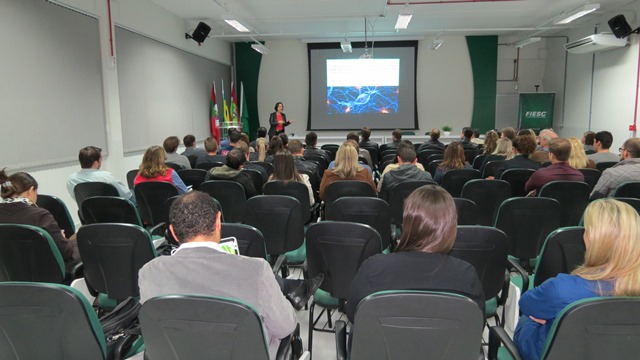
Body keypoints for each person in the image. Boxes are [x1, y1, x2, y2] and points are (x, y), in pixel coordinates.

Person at [138, 191, 320, 359]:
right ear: (218, 221)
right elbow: (285, 327)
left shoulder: (148, 272)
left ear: (173, 232)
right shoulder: (255, 270)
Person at [514, 199, 640, 360]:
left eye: (586, 230)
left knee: (527, 320)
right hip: (624, 351)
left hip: (558, 353)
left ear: (595, 240)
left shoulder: (562, 288)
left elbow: (525, 303)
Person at [345, 185, 484, 324]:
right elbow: (477, 325)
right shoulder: (466, 276)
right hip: (444, 346)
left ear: (406, 224)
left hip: (385, 345)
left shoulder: (373, 268)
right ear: (451, 228)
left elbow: (353, 315)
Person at [0, 169, 80, 272]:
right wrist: (61, 238)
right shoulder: (39, 215)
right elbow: (66, 252)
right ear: (31, 190)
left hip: (10, 272)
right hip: (46, 271)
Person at [66, 146, 134, 202]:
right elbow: (126, 195)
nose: (101, 162)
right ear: (95, 163)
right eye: (100, 159)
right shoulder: (106, 177)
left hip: (90, 215)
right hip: (115, 214)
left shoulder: (71, 179)